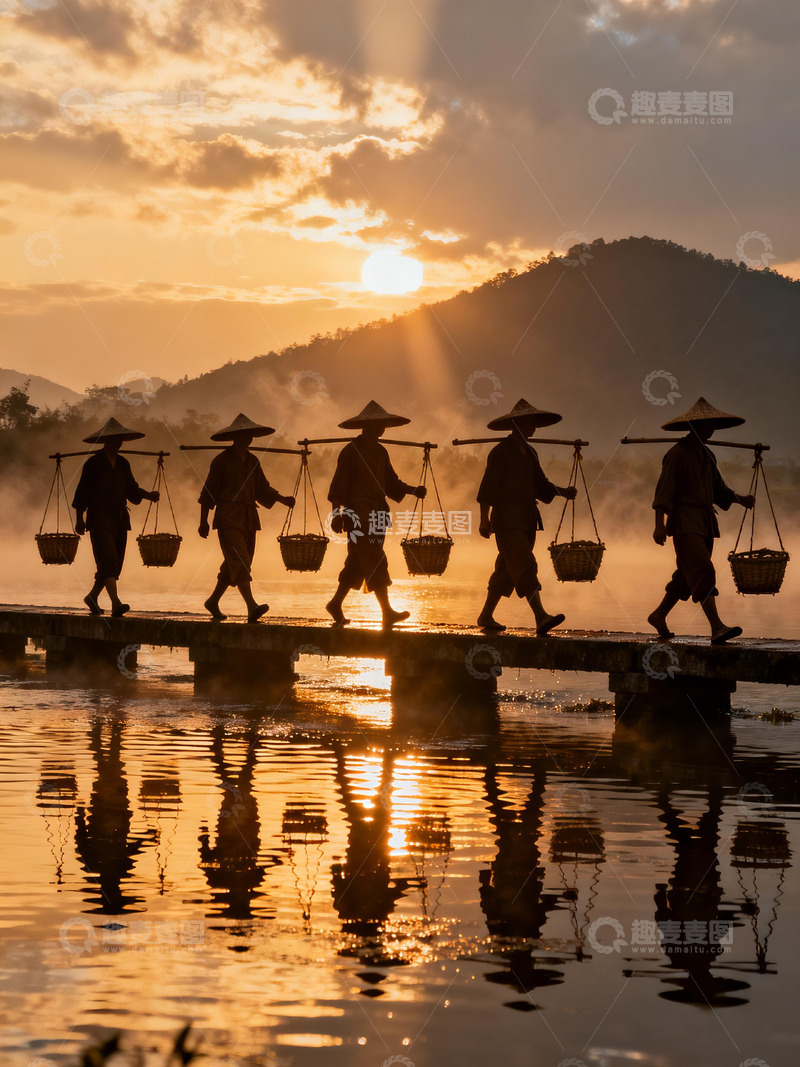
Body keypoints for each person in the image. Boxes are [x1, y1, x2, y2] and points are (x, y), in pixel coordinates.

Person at [648, 396, 755, 644]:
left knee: (687, 576)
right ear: (695, 427)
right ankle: (716, 627)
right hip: (685, 522)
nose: (712, 430)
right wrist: (659, 524)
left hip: (705, 523)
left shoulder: (708, 455)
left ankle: (658, 614)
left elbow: (719, 490)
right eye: (708, 426)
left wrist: (741, 499)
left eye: (713, 426)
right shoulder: (677, 454)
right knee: (703, 569)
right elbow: (663, 491)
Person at [476, 398, 577, 635]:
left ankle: (485, 615)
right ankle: (540, 616)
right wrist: (484, 518)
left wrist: (562, 491)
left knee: (506, 570)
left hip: (527, 520)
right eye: (529, 424)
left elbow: (541, 485)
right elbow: (487, 489)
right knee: (525, 563)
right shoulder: (500, 453)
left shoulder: (531, 453)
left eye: (534, 424)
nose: (533, 428)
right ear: (516, 425)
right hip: (507, 521)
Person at [325, 400, 426, 627]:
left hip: (377, 513)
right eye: (376, 425)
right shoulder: (350, 452)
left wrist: (413, 490)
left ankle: (335, 603)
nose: (380, 429)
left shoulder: (381, 451)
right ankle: (387, 611)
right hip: (357, 514)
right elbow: (338, 487)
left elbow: (391, 483)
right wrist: (337, 515)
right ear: (366, 426)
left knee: (357, 563)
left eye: (383, 425)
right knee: (375, 557)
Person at [198, 413, 295, 623]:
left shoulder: (252, 461)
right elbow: (209, 493)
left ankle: (213, 600)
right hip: (228, 517)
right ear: (235, 438)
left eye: (249, 436)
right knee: (240, 560)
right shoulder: (221, 461)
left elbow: (263, 488)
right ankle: (252, 606)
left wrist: (282, 499)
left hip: (249, 518)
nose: (246, 440)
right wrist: (203, 520)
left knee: (236, 562)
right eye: (242, 436)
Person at [72, 417, 159, 617]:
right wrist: (79, 518)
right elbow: (82, 493)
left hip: (119, 518)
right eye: (113, 439)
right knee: (108, 557)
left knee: (114, 563)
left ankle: (92, 596)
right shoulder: (93, 464)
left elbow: (132, 490)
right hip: (99, 517)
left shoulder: (122, 463)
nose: (117, 443)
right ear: (105, 441)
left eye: (119, 439)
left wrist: (148, 496)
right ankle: (116, 603)